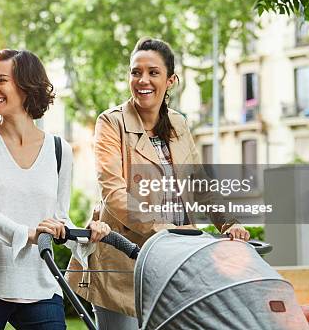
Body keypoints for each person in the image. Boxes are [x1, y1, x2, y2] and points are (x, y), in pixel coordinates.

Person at [66, 37, 250, 329]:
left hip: (175, 262)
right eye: (135, 72)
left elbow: (199, 184)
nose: (143, 80)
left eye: (153, 72)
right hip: (123, 261)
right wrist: (164, 231)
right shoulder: (111, 123)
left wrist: (229, 223)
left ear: (171, 80)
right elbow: (114, 194)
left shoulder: (178, 123)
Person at [0, 49, 111, 330]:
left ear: (26, 85)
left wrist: (88, 235)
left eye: (1, 80)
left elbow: (59, 220)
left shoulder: (60, 150)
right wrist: (30, 234)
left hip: (39, 286)